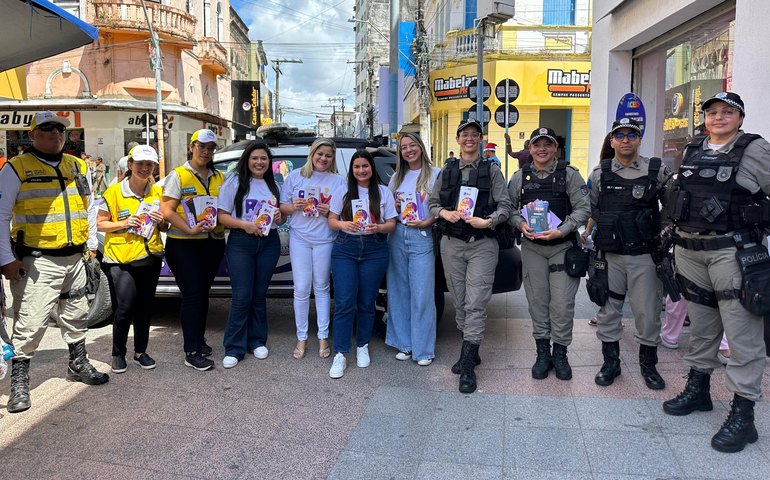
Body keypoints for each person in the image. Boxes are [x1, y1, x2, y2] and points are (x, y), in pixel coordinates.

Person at [662, 92, 770, 453]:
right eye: (712, 112)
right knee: (704, 327)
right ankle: (699, 390)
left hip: (732, 253)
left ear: (740, 117)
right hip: (691, 253)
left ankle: (744, 414)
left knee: (741, 333)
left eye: (728, 112)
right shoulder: (694, 148)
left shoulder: (754, 150)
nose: (719, 117)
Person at [0, 111, 108, 414]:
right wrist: (6, 260)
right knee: (31, 322)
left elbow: (90, 206)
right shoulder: (16, 168)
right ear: (33, 134)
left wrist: (90, 246)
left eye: (60, 129)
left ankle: (77, 363)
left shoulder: (78, 166)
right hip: (38, 261)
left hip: (74, 258)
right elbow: (0, 217)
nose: (54, 133)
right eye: (46, 128)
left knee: (76, 313)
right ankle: (20, 383)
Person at [428, 119, 513, 394]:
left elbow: (506, 206)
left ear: (480, 139)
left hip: (482, 244)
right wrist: (444, 213)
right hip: (451, 243)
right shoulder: (447, 170)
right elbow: (431, 203)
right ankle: (471, 349)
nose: (469, 139)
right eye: (464, 134)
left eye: (474, 135)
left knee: (476, 303)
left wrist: (488, 222)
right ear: (457, 138)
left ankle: (467, 365)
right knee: (461, 302)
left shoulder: (493, 170)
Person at [587, 117, 671, 391]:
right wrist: (585, 235)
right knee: (608, 310)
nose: (625, 139)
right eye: (619, 135)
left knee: (647, 313)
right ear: (611, 141)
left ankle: (649, 366)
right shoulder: (600, 173)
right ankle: (611, 363)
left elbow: (671, 210)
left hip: (644, 255)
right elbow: (593, 209)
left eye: (631, 135)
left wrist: (665, 239)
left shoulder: (656, 170)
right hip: (609, 256)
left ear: (638, 139)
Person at [508, 127, 591, 380]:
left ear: (555, 148)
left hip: (563, 248)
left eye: (547, 144)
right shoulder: (519, 177)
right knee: (537, 304)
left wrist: (563, 229)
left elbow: (583, 208)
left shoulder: (570, 175)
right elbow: (509, 208)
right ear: (529, 149)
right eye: (537, 144)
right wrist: (520, 224)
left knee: (563, 305)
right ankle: (543, 352)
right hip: (533, 249)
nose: (542, 149)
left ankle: (561, 353)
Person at [97, 145, 167, 373]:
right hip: (121, 259)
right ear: (130, 165)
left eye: (149, 164)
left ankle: (140, 351)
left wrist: (161, 221)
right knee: (124, 308)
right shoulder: (114, 192)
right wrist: (125, 223)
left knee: (145, 308)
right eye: (140, 164)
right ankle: (118, 353)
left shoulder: (157, 192)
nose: (145, 168)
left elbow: (165, 224)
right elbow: (100, 223)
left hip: (150, 257)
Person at [327, 150, 397, 379]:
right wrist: (344, 225)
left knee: (367, 302)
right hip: (345, 250)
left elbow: (392, 224)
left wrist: (378, 228)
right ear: (352, 169)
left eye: (365, 166)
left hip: (375, 250)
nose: (361, 170)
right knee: (345, 302)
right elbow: (331, 220)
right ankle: (340, 353)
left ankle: (362, 345)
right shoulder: (343, 191)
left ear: (371, 168)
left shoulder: (383, 192)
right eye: (356, 166)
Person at [161, 129, 225, 371]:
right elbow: (167, 211)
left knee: (202, 294)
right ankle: (191, 351)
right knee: (193, 296)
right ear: (192, 146)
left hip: (212, 242)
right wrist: (188, 229)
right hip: (184, 244)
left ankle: (199, 340)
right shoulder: (178, 175)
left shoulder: (218, 176)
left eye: (210, 148)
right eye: (202, 146)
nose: (206, 151)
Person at [217, 142, 284, 369]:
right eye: (255, 158)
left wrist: (278, 216)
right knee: (242, 295)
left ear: (269, 162)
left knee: (259, 294)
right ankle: (234, 347)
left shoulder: (273, 185)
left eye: (263, 159)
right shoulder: (234, 183)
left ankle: (256, 341)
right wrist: (244, 225)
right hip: (241, 243)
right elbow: (222, 216)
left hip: (268, 243)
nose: (259, 162)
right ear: (247, 160)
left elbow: (282, 220)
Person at [279, 138, 345, 360]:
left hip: (325, 239)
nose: (323, 158)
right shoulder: (296, 176)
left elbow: (344, 214)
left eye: (328, 155)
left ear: (332, 158)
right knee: (301, 289)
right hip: (300, 238)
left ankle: (323, 336)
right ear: (312, 154)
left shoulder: (338, 181)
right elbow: (282, 208)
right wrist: (293, 207)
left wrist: (330, 211)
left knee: (322, 287)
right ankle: (302, 337)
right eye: (320, 154)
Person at [386, 132, 441, 366]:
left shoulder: (436, 174)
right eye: (403, 147)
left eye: (412, 145)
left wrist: (428, 222)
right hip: (397, 235)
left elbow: (442, 207)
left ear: (420, 147)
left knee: (423, 294)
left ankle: (423, 350)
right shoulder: (396, 177)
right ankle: (404, 344)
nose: (408, 150)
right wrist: (395, 205)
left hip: (422, 235)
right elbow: (387, 209)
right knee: (398, 291)